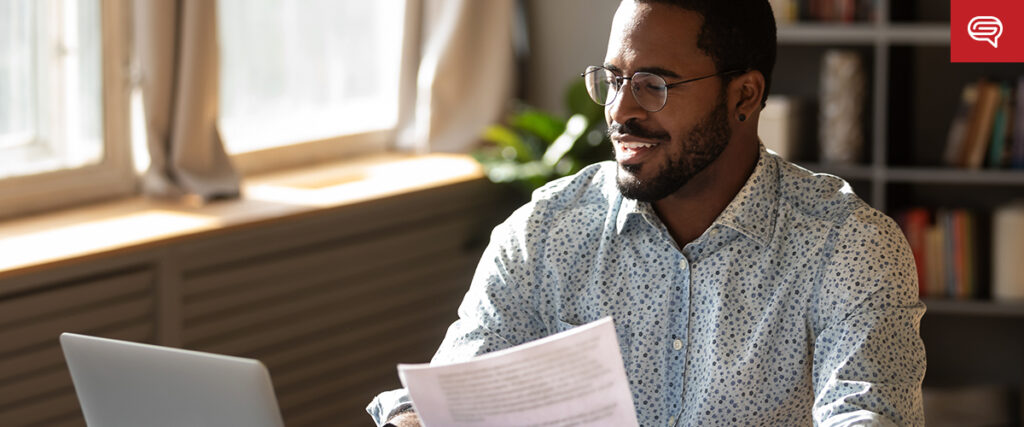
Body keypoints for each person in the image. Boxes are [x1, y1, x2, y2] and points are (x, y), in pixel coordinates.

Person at [368, 0, 927, 425]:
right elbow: (453, 392)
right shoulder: (543, 234)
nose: (620, 111)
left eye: (655, 84)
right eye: (614, 80)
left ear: (745, 97)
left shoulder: (848, 246)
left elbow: (867, 413)